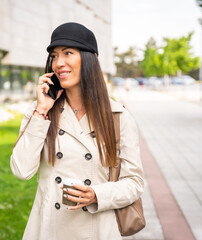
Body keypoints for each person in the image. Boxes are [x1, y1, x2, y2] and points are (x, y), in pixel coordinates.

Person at [10, 22, 144, 240]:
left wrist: (96, 195)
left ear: (91, 59)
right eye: (54, 56)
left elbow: (134, 183)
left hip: (98, 229)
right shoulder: (40, 112)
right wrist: (41, 110)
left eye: (68, 53)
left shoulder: (117, 117)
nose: (58, 63)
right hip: (49, 228)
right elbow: (21, 170)